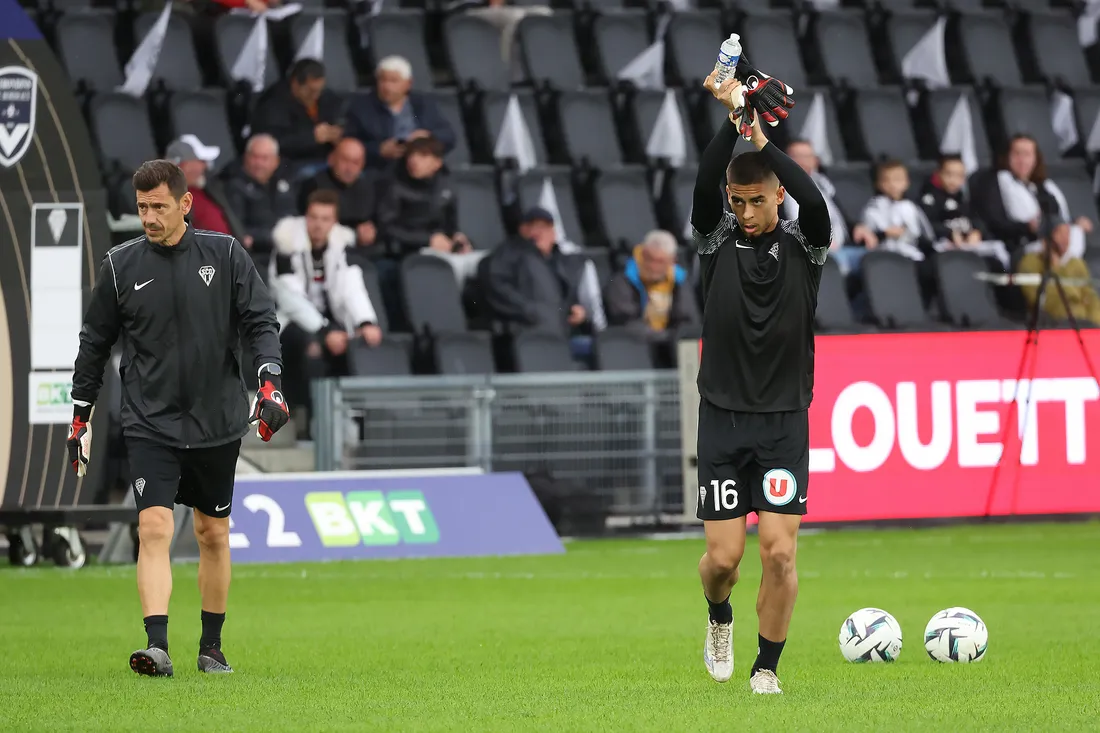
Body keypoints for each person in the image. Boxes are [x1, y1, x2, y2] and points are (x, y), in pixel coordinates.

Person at [66, 159, 290, 677]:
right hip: (150, 421)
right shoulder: (120, 267)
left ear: (185, 204)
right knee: (154, 526)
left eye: (158, 206)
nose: (148, 216)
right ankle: (157, 646)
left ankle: (211, 647)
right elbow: (93, 343)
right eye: (142, 207)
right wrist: (80, 415)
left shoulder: (226, 254)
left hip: (216, 419)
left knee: (213, 532)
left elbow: (260, 322)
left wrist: (270, 383)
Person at [691, 73, 830, 695]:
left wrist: (759, 134)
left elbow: (815, 198)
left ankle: (765, 668)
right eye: (737, 200)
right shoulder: (715, 238)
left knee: (778, 552)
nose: (745, 212)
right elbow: (703, 188)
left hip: (782, 420)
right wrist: (732, 124)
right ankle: (719, 617)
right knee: (724, 560)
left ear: (778, 196)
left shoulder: (809, 244)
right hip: (722, 417)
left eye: (757, 200)